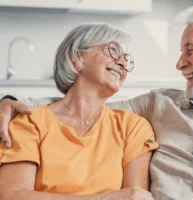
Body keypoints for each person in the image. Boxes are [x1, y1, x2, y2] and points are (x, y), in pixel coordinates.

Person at [1, 4, 193, 200]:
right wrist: (14, 101)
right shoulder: (156, 105)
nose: (179, 64)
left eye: (190, 50)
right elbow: (82, 106)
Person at [0, 23, 158, 200]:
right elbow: (12, 196)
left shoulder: (133, 128)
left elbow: (136, 198)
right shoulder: (30, 121)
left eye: (126, 58)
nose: (122, 63)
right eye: (113, 50)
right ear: (77, 57)